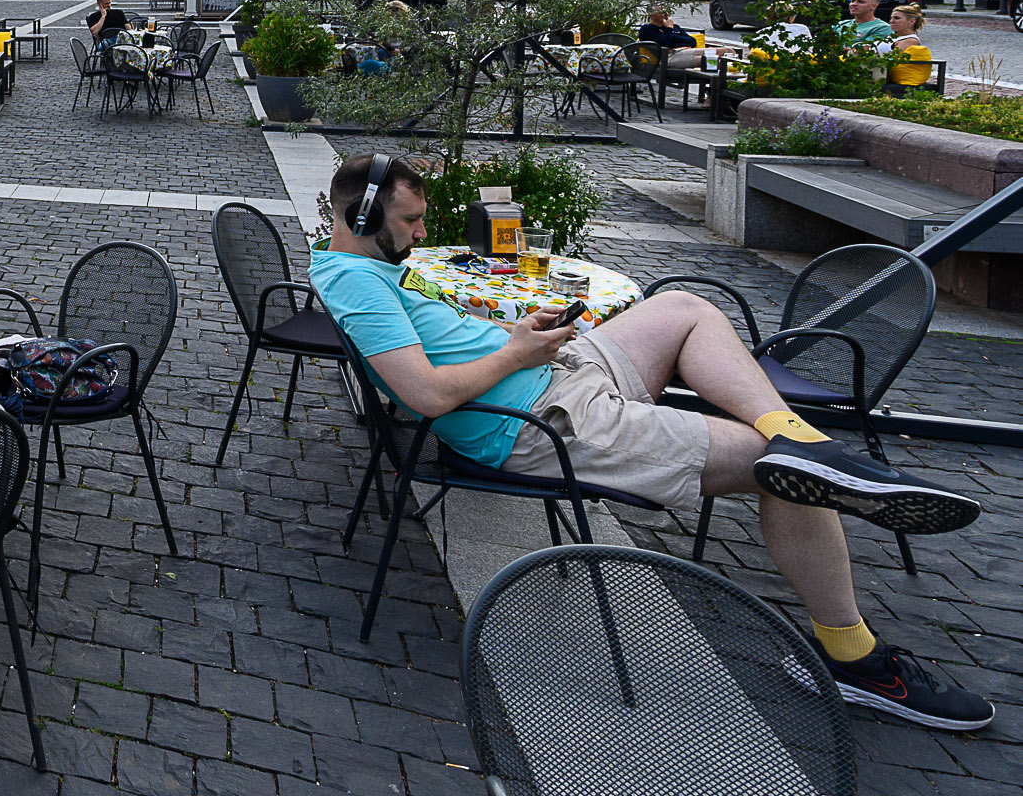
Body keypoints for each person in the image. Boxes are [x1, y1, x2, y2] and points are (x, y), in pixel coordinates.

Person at [311, 152, 993, 731]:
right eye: (410, 221)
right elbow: (426, 396)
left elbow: (442, 353)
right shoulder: (352, 278)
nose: (422, 230)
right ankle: (857, 661)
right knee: (778, 468)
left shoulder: (368, 267)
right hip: (540, 424)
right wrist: (516, 353)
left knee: (683, 308)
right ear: (361, 218)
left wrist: (525, 340)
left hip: (554, 376)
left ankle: (804, 435)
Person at [636, 5, 705, 71]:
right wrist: (668, 29)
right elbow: (664, 44)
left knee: (714, 53)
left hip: (685, 51)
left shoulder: (675, 27)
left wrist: (672, 37)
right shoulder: (647, 29)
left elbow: (693, 41)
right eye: (660, 11)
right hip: (669, 57)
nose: (665, 14)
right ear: (651, 15)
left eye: (666, 11)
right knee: (708, 59)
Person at [885, 3, 934, 94]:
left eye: (897, 18)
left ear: (911, 21)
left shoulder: (910, 41)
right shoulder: (894, 37)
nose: (891, 21)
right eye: (891, 18)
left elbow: (890, 60)